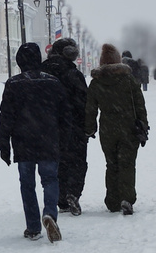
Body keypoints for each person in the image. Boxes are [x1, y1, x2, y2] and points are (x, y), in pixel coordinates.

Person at [0, 42, 69, 242]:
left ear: (19, 61)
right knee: (50, 180)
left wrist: (4, 144)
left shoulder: (13, 84)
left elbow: (6, 117)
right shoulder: (53, 82)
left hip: (23, 142)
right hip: (49, 139)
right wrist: (64, 139)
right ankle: (49, 214)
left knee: (27, 184)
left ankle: (33, 227)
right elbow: (65, 116)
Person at [86, 43, 148, 215]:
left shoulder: (96, 83)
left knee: (111, 164)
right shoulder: (128, 80)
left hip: (108, 129)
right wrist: (143, 123)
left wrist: (89, 128)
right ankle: (127, 199)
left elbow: (90, 108)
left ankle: (112, 201)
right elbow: (139, 104)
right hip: (129, 128)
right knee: (127, 164)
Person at [41, 37, 89, 215]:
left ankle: (60, 198)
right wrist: (87, 125)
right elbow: (84, 102)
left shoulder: (42, 72)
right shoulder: (73, 74)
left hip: (49, 126)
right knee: (77, 161)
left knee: (56, 162)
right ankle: (73, 193)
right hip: (74, 125)